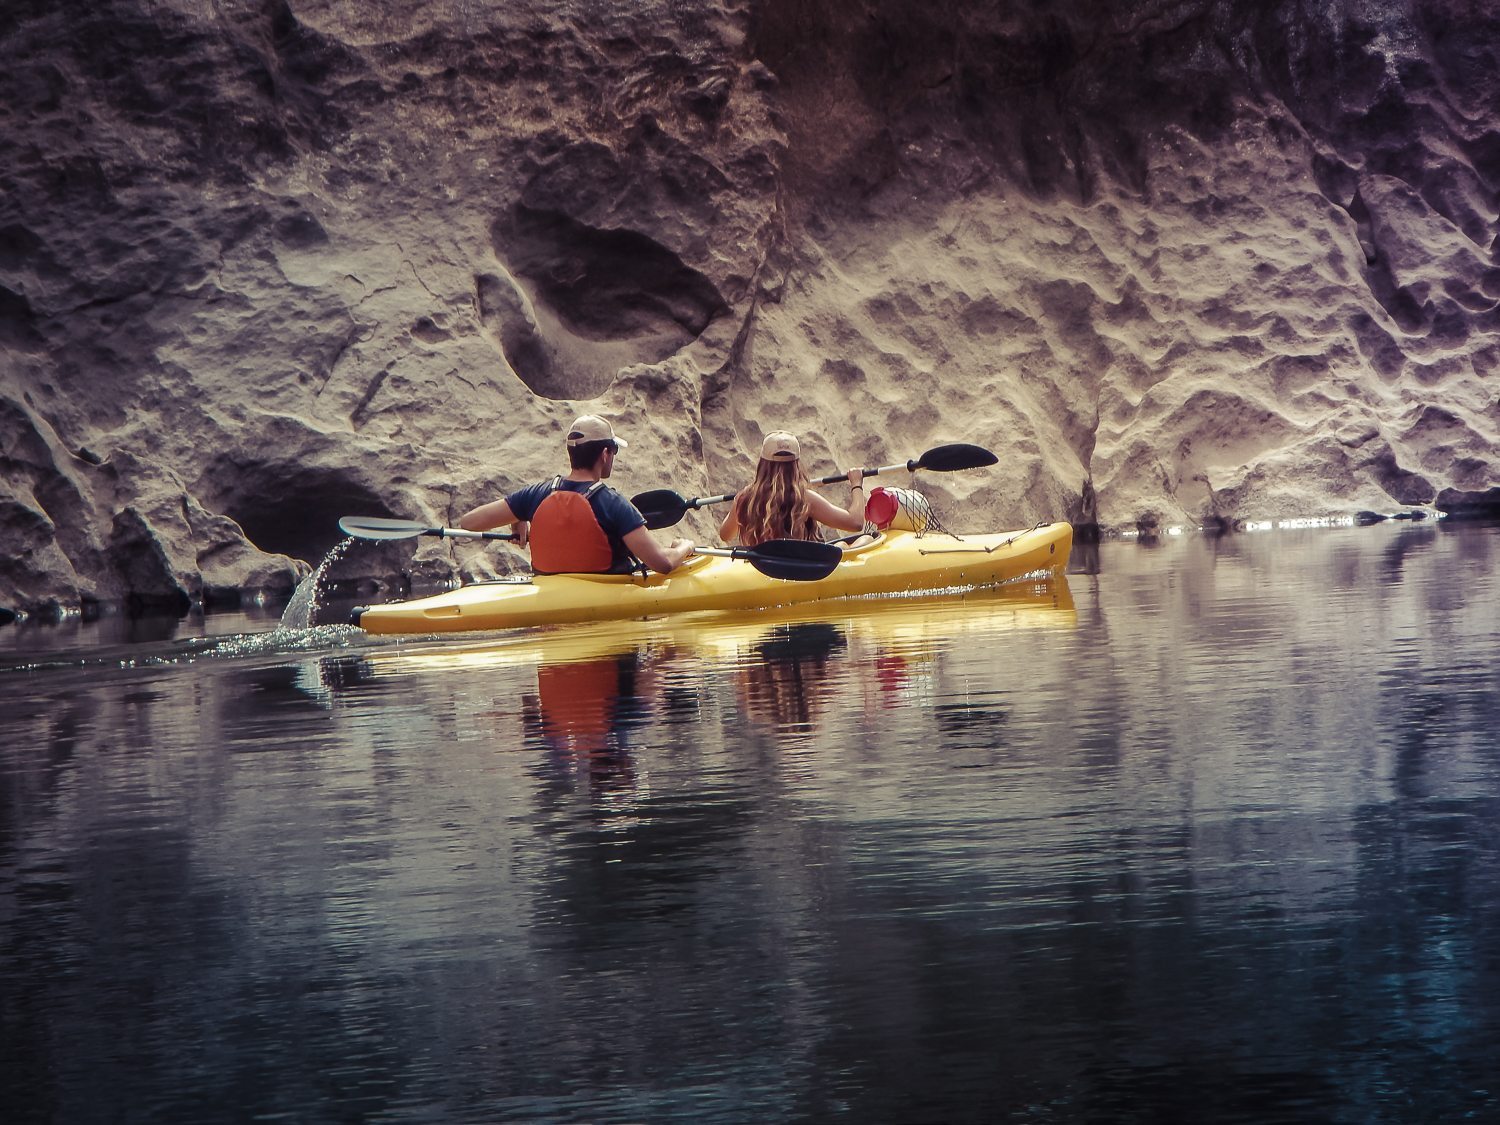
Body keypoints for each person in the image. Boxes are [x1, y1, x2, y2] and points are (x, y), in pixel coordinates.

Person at [458, 414, 695, 575]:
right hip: (607, 604)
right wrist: (684, 547)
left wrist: (517, 517)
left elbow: (469, 522)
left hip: (549, 602)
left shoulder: (535, 494)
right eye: (614, 451)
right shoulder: (614, 504)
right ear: (605, 454)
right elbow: (662, 563)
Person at [718, 431, 868, 547]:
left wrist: (740, 503)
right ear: (796, 464)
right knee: (861, 540)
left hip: (763, 568)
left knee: (842, 544)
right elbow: (855, 523)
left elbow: (725, 535)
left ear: (763, 463)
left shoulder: (745, 498)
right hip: (799, 570)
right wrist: (856, 483)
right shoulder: (805, 499)